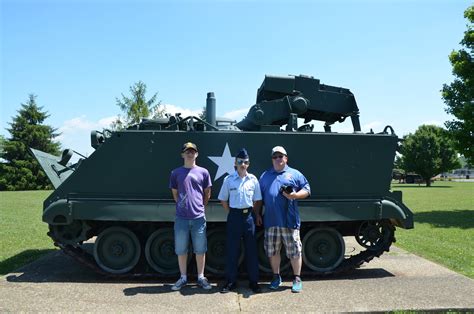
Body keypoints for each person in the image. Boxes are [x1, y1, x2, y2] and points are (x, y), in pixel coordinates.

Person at [258, 146, 310, 293]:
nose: (278, 159)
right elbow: (259, 199)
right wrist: (257, 214)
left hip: (289, 220)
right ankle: (276, 277)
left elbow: (307, 189)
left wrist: (295, 196)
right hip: (271, 221)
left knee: (294, 251)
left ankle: (297, 278)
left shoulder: (294, 174)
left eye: (280, 156)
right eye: (275, 156)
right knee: (273, 251)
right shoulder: (265, 175)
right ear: (272, 159)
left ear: (286, 158)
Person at [217, 148, 263, 294]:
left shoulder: (253, 180)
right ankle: (231, 281)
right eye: (240, 162)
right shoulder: (229, 180)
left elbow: (257, 200)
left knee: (251, 251)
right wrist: (232, 213)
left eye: (246, 162)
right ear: (235, 163)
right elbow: (223, 199)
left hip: (249, 217)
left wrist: (255, 215)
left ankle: (254, 282)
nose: (243, 164)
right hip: (234, 217)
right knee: (232, 250)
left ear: (248, 164)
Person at [169, 142, 212, 291]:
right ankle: (183, 277)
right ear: (182, 154)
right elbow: (175, 193)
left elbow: (207, 193)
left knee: (200, 249)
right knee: (181, 249)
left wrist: (199, 206)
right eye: (187, 151)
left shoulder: (203, 172)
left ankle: (201, 277)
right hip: (181, 217)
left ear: (197, 154)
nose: (190, 153)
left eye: (192, 151)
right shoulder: (175, 173)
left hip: (198, 217)